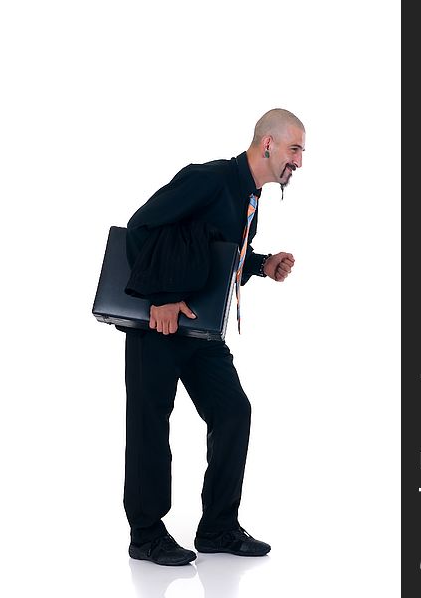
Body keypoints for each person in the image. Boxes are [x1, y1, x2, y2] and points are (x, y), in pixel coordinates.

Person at [122, 108, 305, 566]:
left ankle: (218, 527)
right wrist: (159, 300)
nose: (299, 162)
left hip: (201, 330)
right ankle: (145, 535)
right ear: (268, 144)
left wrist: (261, 265)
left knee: (233, 412)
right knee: (150, 425)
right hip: (159, 327)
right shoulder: (210, 178)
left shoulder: (250, 197)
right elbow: (141, 226)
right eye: (295, 149)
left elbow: (214, 255)